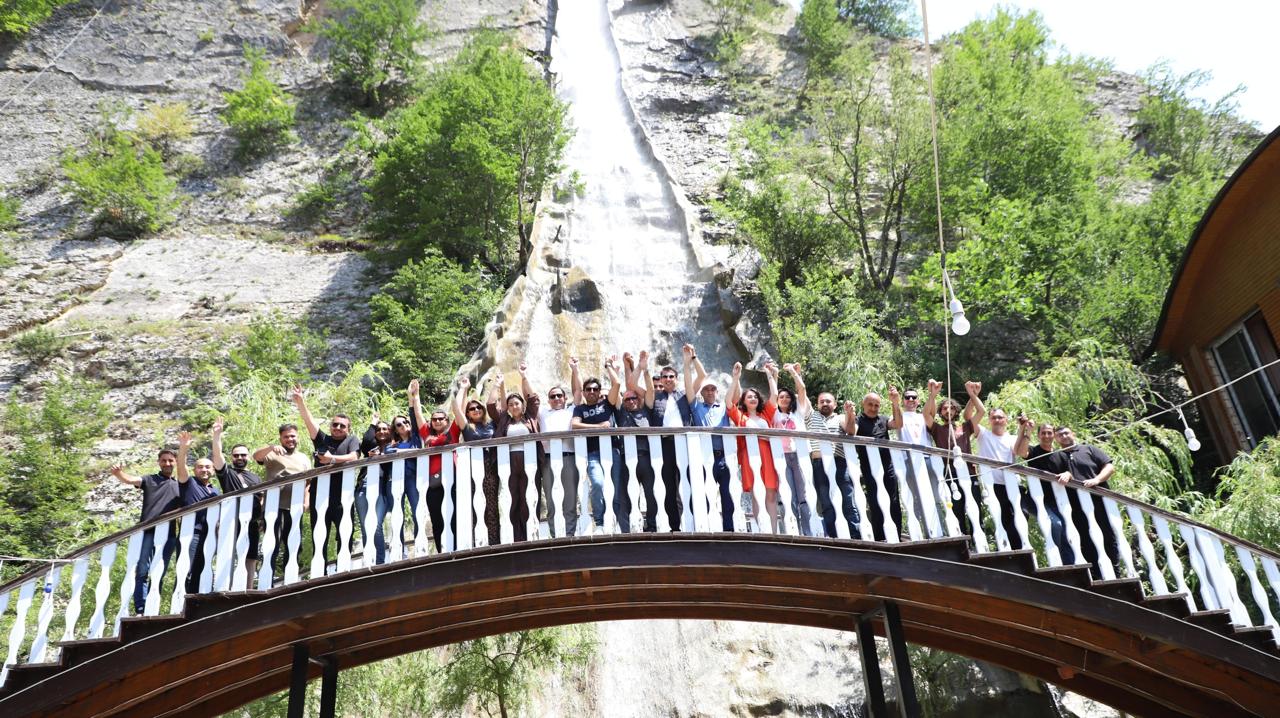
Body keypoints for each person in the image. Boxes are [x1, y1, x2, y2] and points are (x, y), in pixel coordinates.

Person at [290, 384, 361, 569]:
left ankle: (343, 569)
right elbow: (309, 421)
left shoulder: (351, 440)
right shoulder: (323, 440)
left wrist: (331, 459)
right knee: (318, 533)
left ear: (348, 428)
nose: (337, 428)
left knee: (345, 533)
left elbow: (354, 456)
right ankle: (318, 571)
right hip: (319, 496)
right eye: (334, 424)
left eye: (342, 426)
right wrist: (300, 401)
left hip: (342, 497)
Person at [111, 449, 181, 614]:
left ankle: (153, 604)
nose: (167, 463)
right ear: (159, 462)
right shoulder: (150, 480)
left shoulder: (180, 485)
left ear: (175, 462)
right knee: (143, 570)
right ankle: (141, 607)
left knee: (159, 571)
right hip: (148, 532)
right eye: (164, 460)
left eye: (170, 460)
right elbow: (130, 480)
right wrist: (119, 473)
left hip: (169, 535)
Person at [1047, 426, 1121, 579]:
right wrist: (1066, 473)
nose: (1064, 436)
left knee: (1107, 535)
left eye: (1066, 433)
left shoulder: (1088, 449)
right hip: (1075, 505)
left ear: (1073, 433)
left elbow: (1109, 466)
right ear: (1056, 439)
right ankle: (1096, 574)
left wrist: (1097, 480)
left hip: (1098, 501)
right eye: (1059, 435)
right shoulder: (1056, 456)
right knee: (1085, 538)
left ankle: (1115, 572)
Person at [964, 381, 1027, 550]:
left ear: (1006, 420)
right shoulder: (983, 434)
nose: (997, 420)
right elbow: (968, 417)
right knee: (1003, 519)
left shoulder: (1013, 437)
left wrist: (1023, 430)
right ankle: (1008, 549)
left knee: (1022, 515)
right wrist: (973, 396)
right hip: (995, 485)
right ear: (990, 420)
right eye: (994, 417)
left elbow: (1020, 452)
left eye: (1000, 417)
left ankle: (1021, 548)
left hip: (1013, 483)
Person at [489, 364, 542, 542]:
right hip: (508, 463)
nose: (513, 406)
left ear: (522, 404)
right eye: (510, 404)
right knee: (511, 498)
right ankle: (514, 536)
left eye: (516, 403)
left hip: (530, 462)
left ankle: (530, 534)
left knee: (530, 497)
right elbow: (490, 406)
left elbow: (534, 398)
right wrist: (498, 385)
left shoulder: (530, 417)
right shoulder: (504, 420)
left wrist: (524, 376)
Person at [727, 361, 782, 531]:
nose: (753, 398)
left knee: (771, 493)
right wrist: (735, 378)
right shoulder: (740, 416)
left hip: (767, 456)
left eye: (755, 396)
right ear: (744, 400)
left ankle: (773, 531)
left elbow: (774, 395)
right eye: (749, 396)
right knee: (756, 494)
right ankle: (761, 530)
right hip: (749, 457)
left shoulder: (765, 414)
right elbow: (729, 402)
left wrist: (769, 375)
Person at [531, 357, 583, 536]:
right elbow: (530, 399)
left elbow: (578, 391)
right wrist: (523, 376)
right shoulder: (543, 413)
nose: (556, 398)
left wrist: (575, 370)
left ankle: (569, 535)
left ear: (565, 398)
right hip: (548, 460)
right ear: (549, 400)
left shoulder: (571, 411)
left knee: (569, 499)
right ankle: (555, 536)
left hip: (568, 457)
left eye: (559, 395)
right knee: (551, 500)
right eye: (552, 396)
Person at [685, 346, 734, 532]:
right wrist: (691, 359)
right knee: (705, 494)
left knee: (727, 495)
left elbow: (734, 396)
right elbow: (689, 385)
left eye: (713, 388)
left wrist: (736, 377)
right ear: (702, 393)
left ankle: (729, 530)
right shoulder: (696, 407)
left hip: (724, 457)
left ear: (717, 391)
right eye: (707, 389)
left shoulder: (724, 408)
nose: (710, 391)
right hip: (704, 457)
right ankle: (705, 529)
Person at [252, 422, 312, 574]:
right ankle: (267, 577)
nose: (290, 439)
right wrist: (270, 447)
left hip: (295, 507)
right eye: (286, 437)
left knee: (294, 544)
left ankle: (290, 577)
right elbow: (256, 456)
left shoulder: (303, 458)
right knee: (272, 544)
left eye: (292, 436)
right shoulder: (273, 453)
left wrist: (306, 502)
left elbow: (308, 483)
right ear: (280, 438)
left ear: (297, 437)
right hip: (274, 507)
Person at [571, 358, 622, 530]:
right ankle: (599, 522)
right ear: (584, 392)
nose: (592, 391)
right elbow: (575, 425)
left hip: (613, 451)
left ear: (600, 391)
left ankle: (614, 520)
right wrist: (598, 427)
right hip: (592, 453)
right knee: (598, 484)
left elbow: (617, 384)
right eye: (588, 389)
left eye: (595, 389)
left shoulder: (608, 404)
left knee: (615, 486)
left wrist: (608, 366)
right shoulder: (580, 409)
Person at [210, 417, 263, 579]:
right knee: (229, 555)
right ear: (232, 457)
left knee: (251, 557)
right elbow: (217, 457)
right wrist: (217, 436)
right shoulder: (228, 474)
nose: (240, 458)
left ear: (248, 457)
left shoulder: (255, 478)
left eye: (243, 455)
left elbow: (261, 498)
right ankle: (228, 587)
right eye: (236, 455)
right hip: (233, 521)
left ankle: (248, 588)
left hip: (253, 523)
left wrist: (261, 518)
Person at [1015, 420, 1075, 564]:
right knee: (1056, 524)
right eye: (1043, 433)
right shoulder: (1034, 451)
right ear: (1038, 435)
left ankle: (1070, 565)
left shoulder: (1061, 455)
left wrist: (1068, 474)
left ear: (1054, 435)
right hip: (1036, 500)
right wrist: (1027, 431)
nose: (1046, 436)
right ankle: (1056, 561)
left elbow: (1070, 472)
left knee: (1068, 533)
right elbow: (1021, 452)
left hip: (1057, 501)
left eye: (1049, 433)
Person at [613, 350, 660, 532]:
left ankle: (653, 526)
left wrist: (643, 368)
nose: (631, 400)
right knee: (630, 495)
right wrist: (626, 366)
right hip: (627, 459)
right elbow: (626, 386)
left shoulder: (646, 409)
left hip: (646, 458)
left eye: (634, 398)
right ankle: (632, 527)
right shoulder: (621, 412)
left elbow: (648, 390)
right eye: (627, 399)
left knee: (651, 493)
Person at [924, 379, 978, 534]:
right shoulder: (937, 429)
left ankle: (977, 539)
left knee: (974, 507)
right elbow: (926, 414)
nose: (948, 411)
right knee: (957, 508)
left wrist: (972, 395)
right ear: (941, 412)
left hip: (969, 472)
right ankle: (964, 539)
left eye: (951, 408)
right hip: (950, 474)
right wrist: (932, 395)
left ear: (956, 411)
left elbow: (981, 412)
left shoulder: (965, 427)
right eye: (945, 409)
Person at [851, 388, 904, 542]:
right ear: (863, 404)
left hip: (887, 467)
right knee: (875, 501)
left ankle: (896, 536)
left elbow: (898, 423)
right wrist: (849, 414)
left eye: (876, 405)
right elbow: (851, 431)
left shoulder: (882, 419)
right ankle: (880, 538)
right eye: (870, 405)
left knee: (893, 500)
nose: (873, 408)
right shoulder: (857, 420)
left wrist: (895, 403)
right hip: (869, 469)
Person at [453, 374, 501, 545]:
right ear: (468, 413)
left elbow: (495, 405)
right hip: (472, 467)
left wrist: (497, 385)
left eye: (478, 408)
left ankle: (494, 542)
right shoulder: (466, 427)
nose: (476, 410)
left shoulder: (491, 425)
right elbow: (456, 408)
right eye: (472, 409)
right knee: (473, 505)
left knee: (491, 505)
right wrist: (463, 388)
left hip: (490, 466)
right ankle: (475, 542)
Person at [651, 346, 695, 529]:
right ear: (660, 380)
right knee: (670, 485)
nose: (668, 379)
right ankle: (675, 526)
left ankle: (693, 522)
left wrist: (688, 362)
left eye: (671, 376)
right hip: (665, 443)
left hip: (684, 442)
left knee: (690, 480)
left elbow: (696, 380)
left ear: (676, 379)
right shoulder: (655, 397)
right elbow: (635, 388)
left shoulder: (685, 395)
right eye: (665, 377)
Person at [806, 391, 859, 538]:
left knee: (848, 501)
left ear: (835, 404)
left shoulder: (841, 417)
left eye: (828, 401)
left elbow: (851, 431)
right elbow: (802, 393)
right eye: (822, 401)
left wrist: (850, 413)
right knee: (826, 503)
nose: (825, 404)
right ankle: (834, 537)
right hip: (819, 464)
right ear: (817, 404)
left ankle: (855, 536)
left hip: (839, 463)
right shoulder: (811, 416)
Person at [771, 363, 814, 536]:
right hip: (782, 457)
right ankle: (794, 529)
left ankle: (808, 531)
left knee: (803, 494)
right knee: (788, 494)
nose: (785, 399)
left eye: (788, 397)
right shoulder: (774, 414)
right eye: (781, 397)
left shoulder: (798, 412)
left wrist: (792, 372)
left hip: (799, 455)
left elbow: (802, 389)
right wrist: (773, 375)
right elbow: (773, 393)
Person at [175, 431, 221, 593]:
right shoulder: (189, 483)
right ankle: (179, 604)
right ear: (194, 470)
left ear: (213, 470)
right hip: (191, 534)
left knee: (200, 572)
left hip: (209, 536)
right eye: (200, 467)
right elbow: (180, 467)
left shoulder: (216, 491)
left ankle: (192, 606)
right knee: (185, 570)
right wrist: (183, 449)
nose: (204, 470)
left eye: (208, 467)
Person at [419, 391, 461, 552]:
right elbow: (418, 417)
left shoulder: (453, 433)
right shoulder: (427, 436)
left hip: (453, 481)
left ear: (447, 421)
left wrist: (462, 390)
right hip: (433, 483)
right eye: (434, 419)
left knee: (455, 516)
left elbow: (459, 414)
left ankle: (457, 549)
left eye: (440, 419)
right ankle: (441, 551)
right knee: (437, 519)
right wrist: (414, 397)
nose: (436, 421)